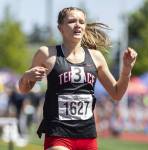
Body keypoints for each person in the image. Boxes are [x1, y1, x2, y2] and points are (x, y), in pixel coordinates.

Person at [18, 7, 137, 150]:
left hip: (87, 136)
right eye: (72, 21)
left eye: (81, 21)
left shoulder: (96, 57)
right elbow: (23, 89)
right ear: (60, 28)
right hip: (58, 134)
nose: (78, 25)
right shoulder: (47, 54)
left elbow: (117, 93)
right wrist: (26, 77)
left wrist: (126, 69)